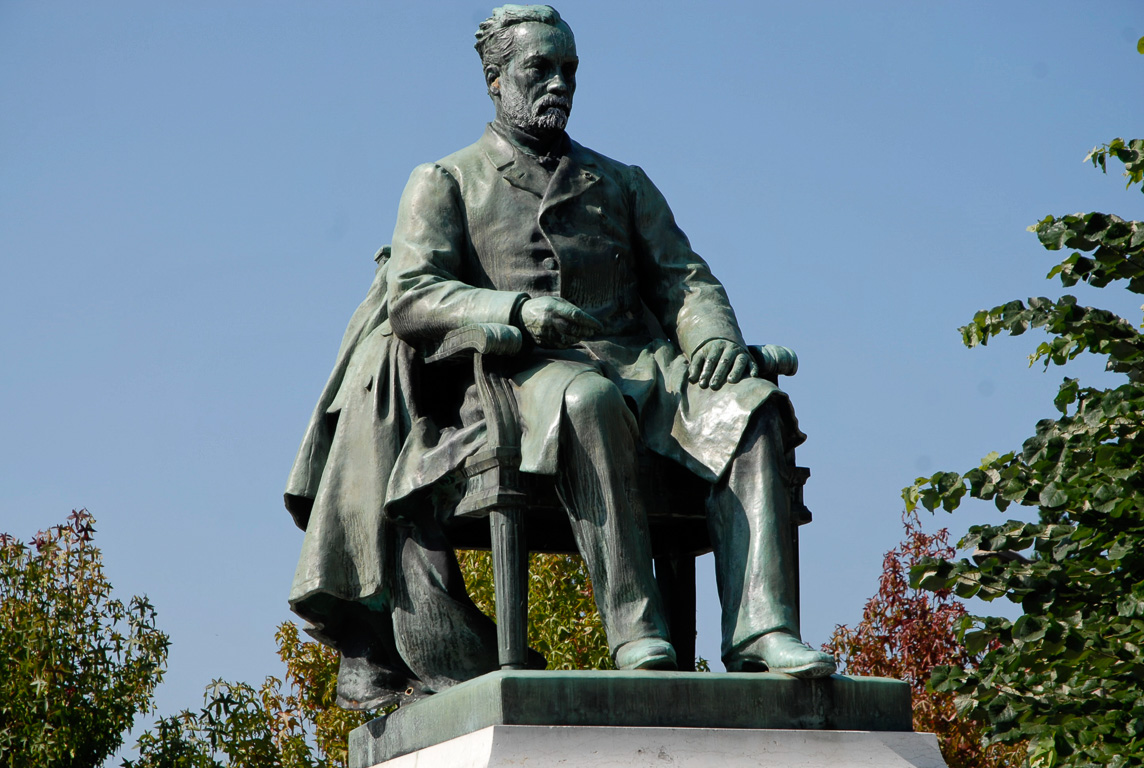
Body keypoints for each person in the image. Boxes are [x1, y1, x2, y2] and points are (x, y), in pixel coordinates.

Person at [286, 3, 834, 710]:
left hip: (646, 370)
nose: (559, 83)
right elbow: (414, 296)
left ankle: (762, 630)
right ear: (495, 78)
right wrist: (512, 310)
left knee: (753, 406)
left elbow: (685, 278)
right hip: (519, 381)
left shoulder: (621, 181)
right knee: (588, 400)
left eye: (568, 69)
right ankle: (639, 632)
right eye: (538, 68)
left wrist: (714, 342)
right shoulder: (445, 180)